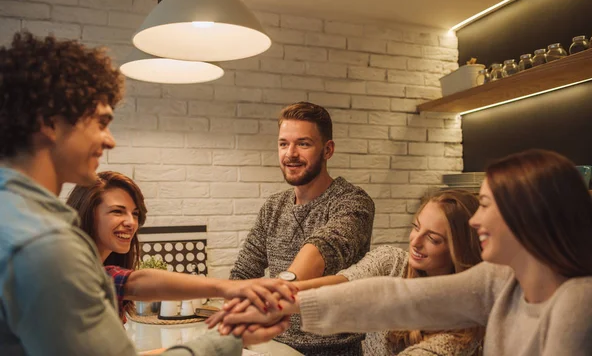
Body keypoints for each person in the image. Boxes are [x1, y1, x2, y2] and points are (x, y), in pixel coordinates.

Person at [0, 32, 288, 356]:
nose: (110, 140)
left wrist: (226, 289)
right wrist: (230, 339)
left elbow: (130, 282)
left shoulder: (16, 217)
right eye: (100, 122)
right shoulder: (46, 245)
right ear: (50, 122)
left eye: (134, 214)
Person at [218, 149, 592, 355]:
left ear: (527, 214)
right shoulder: (500, 281)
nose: (473, 221)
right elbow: (396, 297)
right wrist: (284, 301)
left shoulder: (579, 301)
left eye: (484, 205)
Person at [215, 189, 484, 355]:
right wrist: (277, 295)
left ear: (459, 250)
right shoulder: (391, 261)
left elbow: (326, 244)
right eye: (415, 227)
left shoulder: (462, 331)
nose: (415, 241)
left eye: (433, 239)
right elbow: (345, 283)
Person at [229, 102, 375, 355]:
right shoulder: (273, 206)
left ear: (327, 150)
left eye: (303, 144)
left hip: (334, 349)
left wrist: (277, 294)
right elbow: (243, 272)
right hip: (274, 346)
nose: (291, 154)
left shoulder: (353, 202)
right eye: (284, 143)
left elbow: (323, 247)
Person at [67, 170, 296, 323]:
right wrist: (225, 288)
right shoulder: (77, 274)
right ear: (88, 212)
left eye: (135, 214)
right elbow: (135, 283)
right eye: (117, 211)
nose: (131, 222)